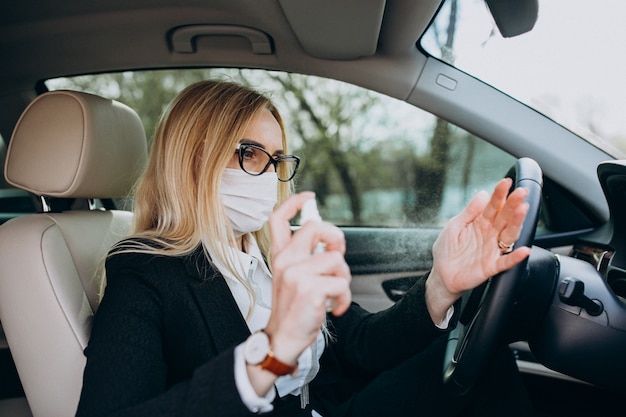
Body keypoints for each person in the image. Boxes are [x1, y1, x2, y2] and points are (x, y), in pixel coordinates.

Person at [76, 80, 536, 417]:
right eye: (249, 153)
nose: (267, 173)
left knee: (483, 359)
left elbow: (359, 344)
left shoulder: (274, 255)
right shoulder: (145, 270)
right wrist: (272, 351)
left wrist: (441, 283)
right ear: (192, 157)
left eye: (275, 159)